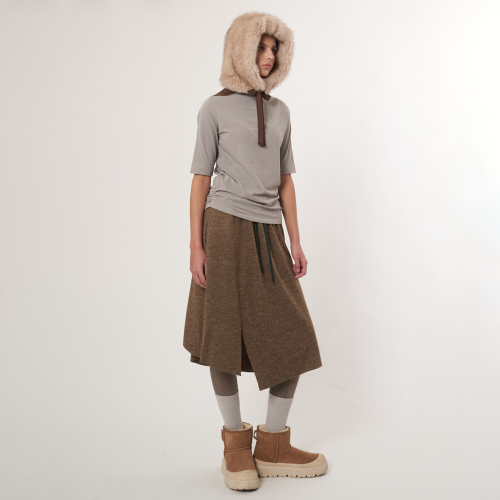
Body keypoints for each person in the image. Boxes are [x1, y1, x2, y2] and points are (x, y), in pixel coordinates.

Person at [183, 12, 328, 491]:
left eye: (274, 49)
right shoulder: (213, 109)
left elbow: (285, 180)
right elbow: (200, 179)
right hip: (223, 228)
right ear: (241, 51)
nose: (269, 56)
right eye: (261, 48)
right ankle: (234, 444)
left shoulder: (281, 111)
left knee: (294, 335)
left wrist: (295, 239)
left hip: (269, 234)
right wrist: (196, 245)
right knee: (222, 334)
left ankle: (273, 444)